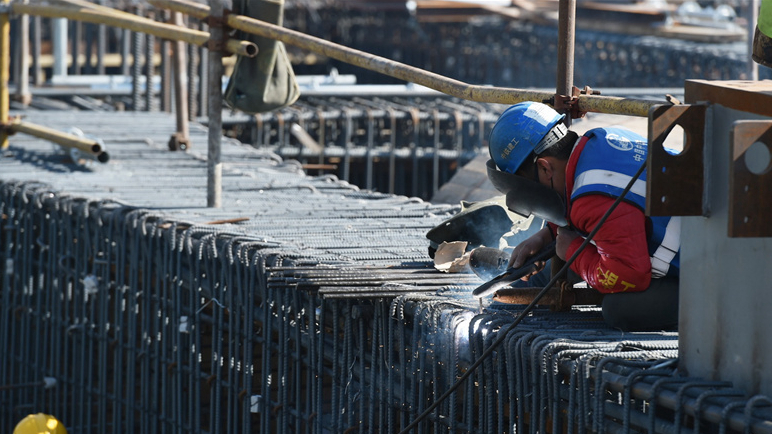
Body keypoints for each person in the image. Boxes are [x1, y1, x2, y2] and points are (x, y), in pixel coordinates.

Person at [487, 101, 680, 331]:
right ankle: (498, 305)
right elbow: (601, 213)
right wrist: (548, 234)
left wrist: (571, 251)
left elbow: (630, 276)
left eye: (528, 187)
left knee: (619, 309)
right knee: (555, 266)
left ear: (545, 168)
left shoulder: (592, 199)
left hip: (710, 276)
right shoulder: (597, 141)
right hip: (703, 238)